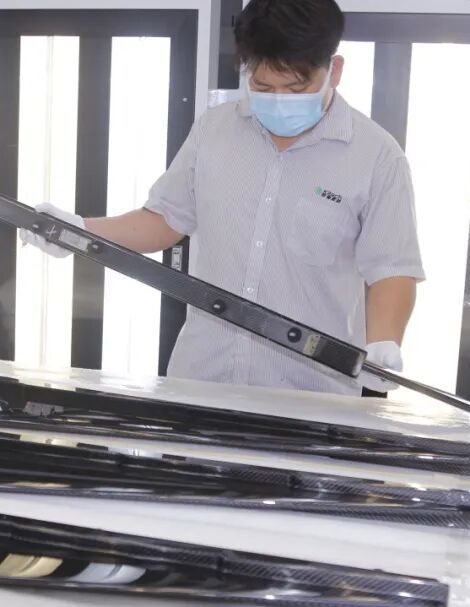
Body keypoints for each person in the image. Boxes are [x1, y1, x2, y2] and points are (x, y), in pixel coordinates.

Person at [21, 0, 423, 396]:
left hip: (312, 395)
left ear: (334, 69)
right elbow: (164, 221)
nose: (278, 99)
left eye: (296, 88)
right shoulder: (214, 131)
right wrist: (78, 230)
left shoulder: (377, 157)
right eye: (263, 86)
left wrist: (384, 343)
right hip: (200, 380)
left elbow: (391, 269)